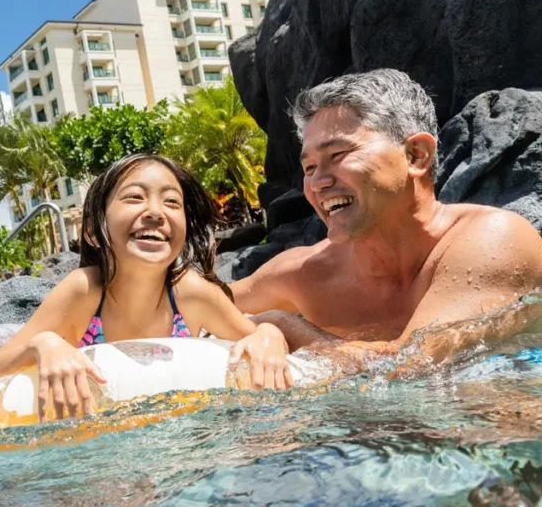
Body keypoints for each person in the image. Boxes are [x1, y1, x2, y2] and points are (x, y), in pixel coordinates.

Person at [231, 69, 542, 370]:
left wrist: (284, 325)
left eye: (337, 155)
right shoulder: (304, 273)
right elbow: (194, 307)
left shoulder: (493, 240)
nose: (318, 182)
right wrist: (264, 331)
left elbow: (412, 366)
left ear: (416, 155)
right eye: (309, 168)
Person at [0, 154, 293, 418]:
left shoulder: (191, 293)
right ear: (91, 231)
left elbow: (257, 336)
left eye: (172, 202)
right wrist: (44, 343)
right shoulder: (84, 291)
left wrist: (270, 333)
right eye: (134, 197)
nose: (156, 213)